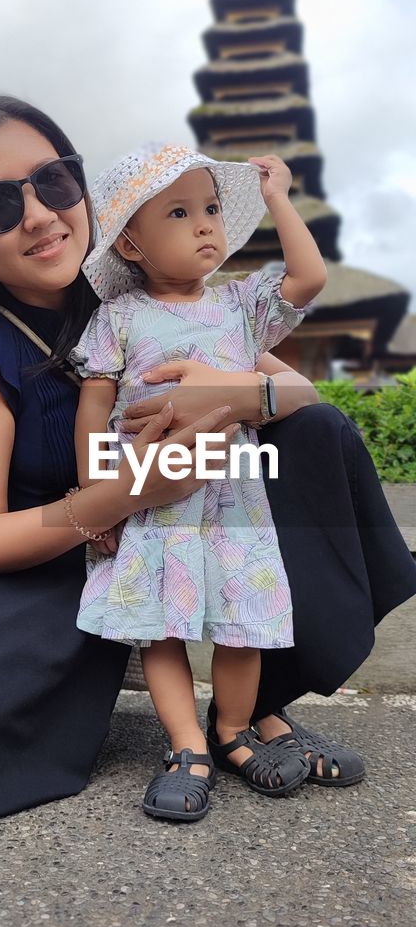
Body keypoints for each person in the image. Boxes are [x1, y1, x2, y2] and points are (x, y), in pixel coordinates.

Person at [0, 96, 414, 830]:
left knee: (320, 434)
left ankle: (255, 713)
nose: (40, 215)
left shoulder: (142, 291)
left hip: (196, 523)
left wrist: (236, 389)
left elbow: (299, 393)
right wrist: (123, 493)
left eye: (53, 182)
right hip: (45, 568)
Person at [70, 143, 327, 819]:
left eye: (211, 208)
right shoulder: (119, 319)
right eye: (179, 213)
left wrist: (278, 198)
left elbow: (306, 279)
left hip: (235, 495)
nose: (206, 225)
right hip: (157, 499)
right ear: (131, 244)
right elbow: (94, 407)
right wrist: (96, 495)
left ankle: (235, 728)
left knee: (243, 624)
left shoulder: (240, 309)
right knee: (164, 628)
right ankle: (187, 745)